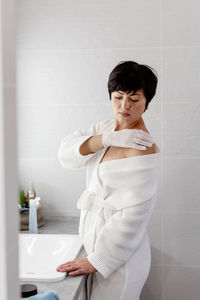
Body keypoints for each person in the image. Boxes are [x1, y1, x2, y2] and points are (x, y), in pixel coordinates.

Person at [56, 60, 160, 300]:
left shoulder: (142, 146)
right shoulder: (105, 127)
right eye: (118, 97)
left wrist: (98, 260)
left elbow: (136, 212)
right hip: (95, 242)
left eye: (134, 99)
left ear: (147, 102)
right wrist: (106, 139)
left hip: (120, 258)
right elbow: (65, 154)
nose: (124, 106)